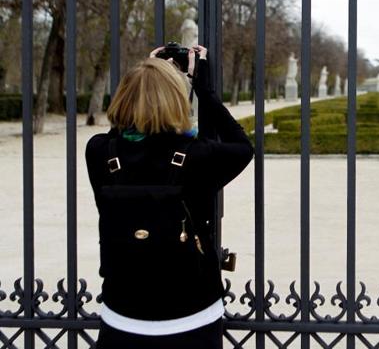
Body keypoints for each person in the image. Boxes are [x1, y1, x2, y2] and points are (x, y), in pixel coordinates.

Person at [85, 45, 253, 348]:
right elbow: (242, 145)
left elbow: (119, 135)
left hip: (123, 313)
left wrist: (147, 74)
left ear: (123, 96)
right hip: (192, 313)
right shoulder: (198, 155)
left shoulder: (99, 152)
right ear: (176, 98)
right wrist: (201, 88)